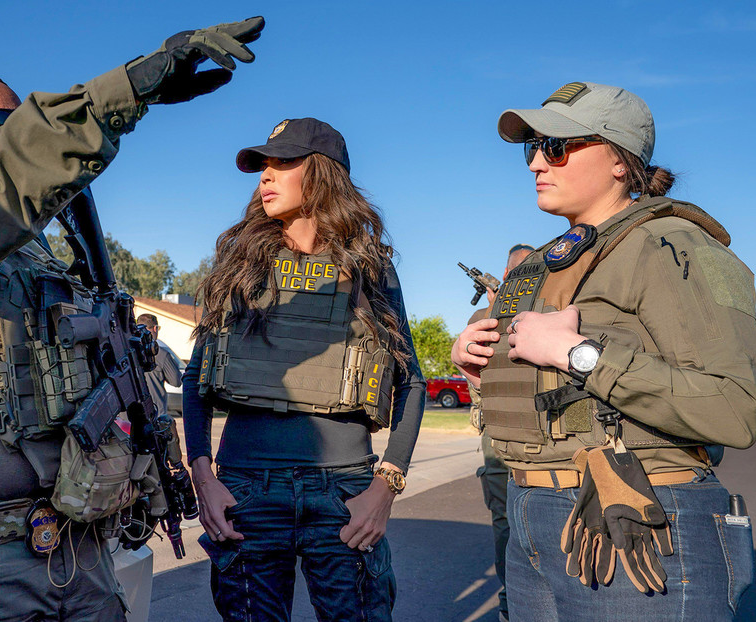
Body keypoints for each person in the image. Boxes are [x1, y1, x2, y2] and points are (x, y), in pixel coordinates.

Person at [0, 18, 264, 622]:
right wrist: (123, 94)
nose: (11, 139)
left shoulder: (50, 263)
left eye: (20, 128)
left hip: (79, 551)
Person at [452, 82, 756, 621]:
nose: (535, 164)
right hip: (531, 513)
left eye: (556, 146)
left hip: (635, 517)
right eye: (533, 148)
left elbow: (733, 407)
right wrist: (483, 364)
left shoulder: (671, 244)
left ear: (620, 160)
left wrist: (579, 354)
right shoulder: (550, 260)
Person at [182, 118, 426, 621]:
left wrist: (385, 487)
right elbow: (197, 379)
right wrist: (203, 476)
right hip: (245, 491)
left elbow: (412, 382)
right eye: (263, 166)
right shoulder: (240, 262)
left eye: (283, 163)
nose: (265, 177)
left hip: (343, 494)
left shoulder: (369, 266)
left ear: (321, 174)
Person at [466, 242, 534, 622]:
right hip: (499, 436)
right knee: (506, 521)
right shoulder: (485, 313)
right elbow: (474, 369)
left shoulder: (548, 306)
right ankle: (512, 605)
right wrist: (497, 305)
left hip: (537, 433)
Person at [136, 313, 183, 415]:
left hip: (127, 418)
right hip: (154, 414)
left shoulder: (126, 351)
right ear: (155, 328)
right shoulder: (161, 354)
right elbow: (176, 381)